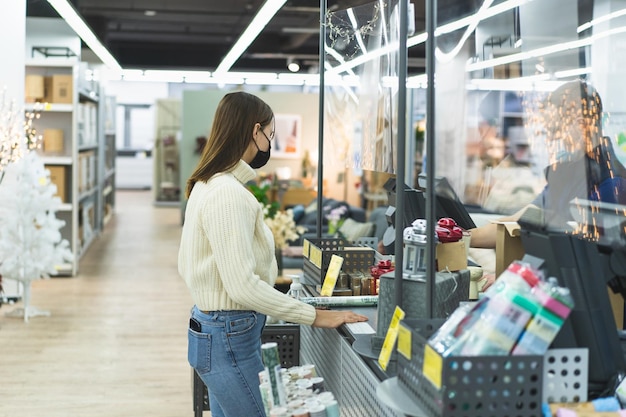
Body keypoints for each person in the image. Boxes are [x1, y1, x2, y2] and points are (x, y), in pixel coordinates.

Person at [177, 91, 368, 417]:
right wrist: (315, 316)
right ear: (255, 132)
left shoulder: (208, 185)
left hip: (217, 329)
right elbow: (241, 286)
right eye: (271, 134)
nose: (270, 143)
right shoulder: (227, 194)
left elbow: (190, 265)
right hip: (229, 334)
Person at [470, 79, 626, 269]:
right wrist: (459, 237)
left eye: (555, 130)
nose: (550, 139)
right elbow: (522, 219)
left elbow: (593, 265)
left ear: (581, 126)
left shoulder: (611, 185)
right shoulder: (568, 174)